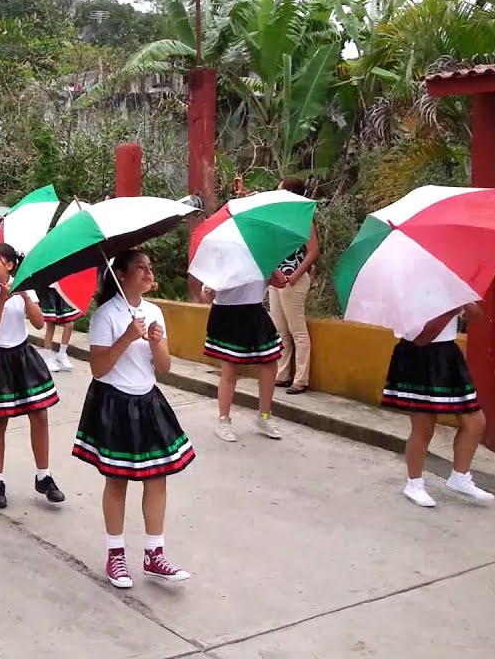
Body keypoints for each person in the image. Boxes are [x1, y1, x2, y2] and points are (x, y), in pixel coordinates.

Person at [75, 250, 196, 587]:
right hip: (114, 403)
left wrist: (156, 343)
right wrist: (127, 337)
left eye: (150, 267)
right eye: (140, 267)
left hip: (147, 401)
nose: (148, 272)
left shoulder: (153, 311)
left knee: (157, 478)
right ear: (122, 275)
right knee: (117, 480)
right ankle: (116, 556)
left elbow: (165, 366)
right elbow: (98, 368)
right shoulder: (105, 316)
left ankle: (154, 554)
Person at [0, 242, 64, 509]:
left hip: (22, 355)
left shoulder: (25, 286)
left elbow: (38, 322)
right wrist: (2, 297)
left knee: (39, 414)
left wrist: (23, 295)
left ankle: (43, 476)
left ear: (10, 265)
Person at [385, 304, 494, 507]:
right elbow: (422, 337)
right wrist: (452, 309)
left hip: (448, 356)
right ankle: (414, 484)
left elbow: (479, 316)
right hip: (417, 357)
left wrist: (465, 301)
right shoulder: (407, 293)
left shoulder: (448, 286)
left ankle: (460, 477)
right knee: (423, 428)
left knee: (475, 422)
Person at [202, 273, 288, 442]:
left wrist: (273, 269)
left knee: (270, 364)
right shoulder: (222, 263)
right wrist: (209, 292)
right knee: (230, 369)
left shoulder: (261, 258)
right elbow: (205, 296)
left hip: (255, 313)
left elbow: (281, 284)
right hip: (227, 315)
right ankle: (223, 421)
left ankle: (264, 417)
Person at [266, 177, 319, 395]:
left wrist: (296, 275)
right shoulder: (280, 218)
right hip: (277, 278)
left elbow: (314, 251)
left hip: (293, 279)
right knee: (280, 329)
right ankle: (283, 373)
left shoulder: (304, 219)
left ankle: (301, 379)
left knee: (297, 330)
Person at [38, 285, 82, 372]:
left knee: (69, 323)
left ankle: (62, 353)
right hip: (48, 290)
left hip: (62, 289)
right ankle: (48, 356)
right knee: (51, 325)